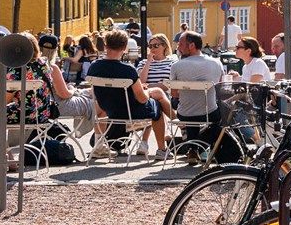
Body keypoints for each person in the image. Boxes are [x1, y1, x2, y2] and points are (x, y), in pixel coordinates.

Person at [88, 29, 172, 159]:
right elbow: (142, 99)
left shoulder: (94, 66)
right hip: (132, 112)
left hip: (109, 110)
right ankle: (162, 149)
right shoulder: (128, 70)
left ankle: (99, 145)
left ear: (106, 45)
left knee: (156, 94)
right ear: (124, 47)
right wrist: (149, 91)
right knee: (157, 103)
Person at [169, 30, 230, 160]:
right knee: (218, 115)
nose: (178, 47)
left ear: (191, 46)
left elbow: (174, 94)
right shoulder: (216, 63)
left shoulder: (176, 66)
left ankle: (192, 148)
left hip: (185, 113)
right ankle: (202, 146)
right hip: (210, 112)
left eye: (180, 44)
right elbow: (221, 89)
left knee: (190, 113)